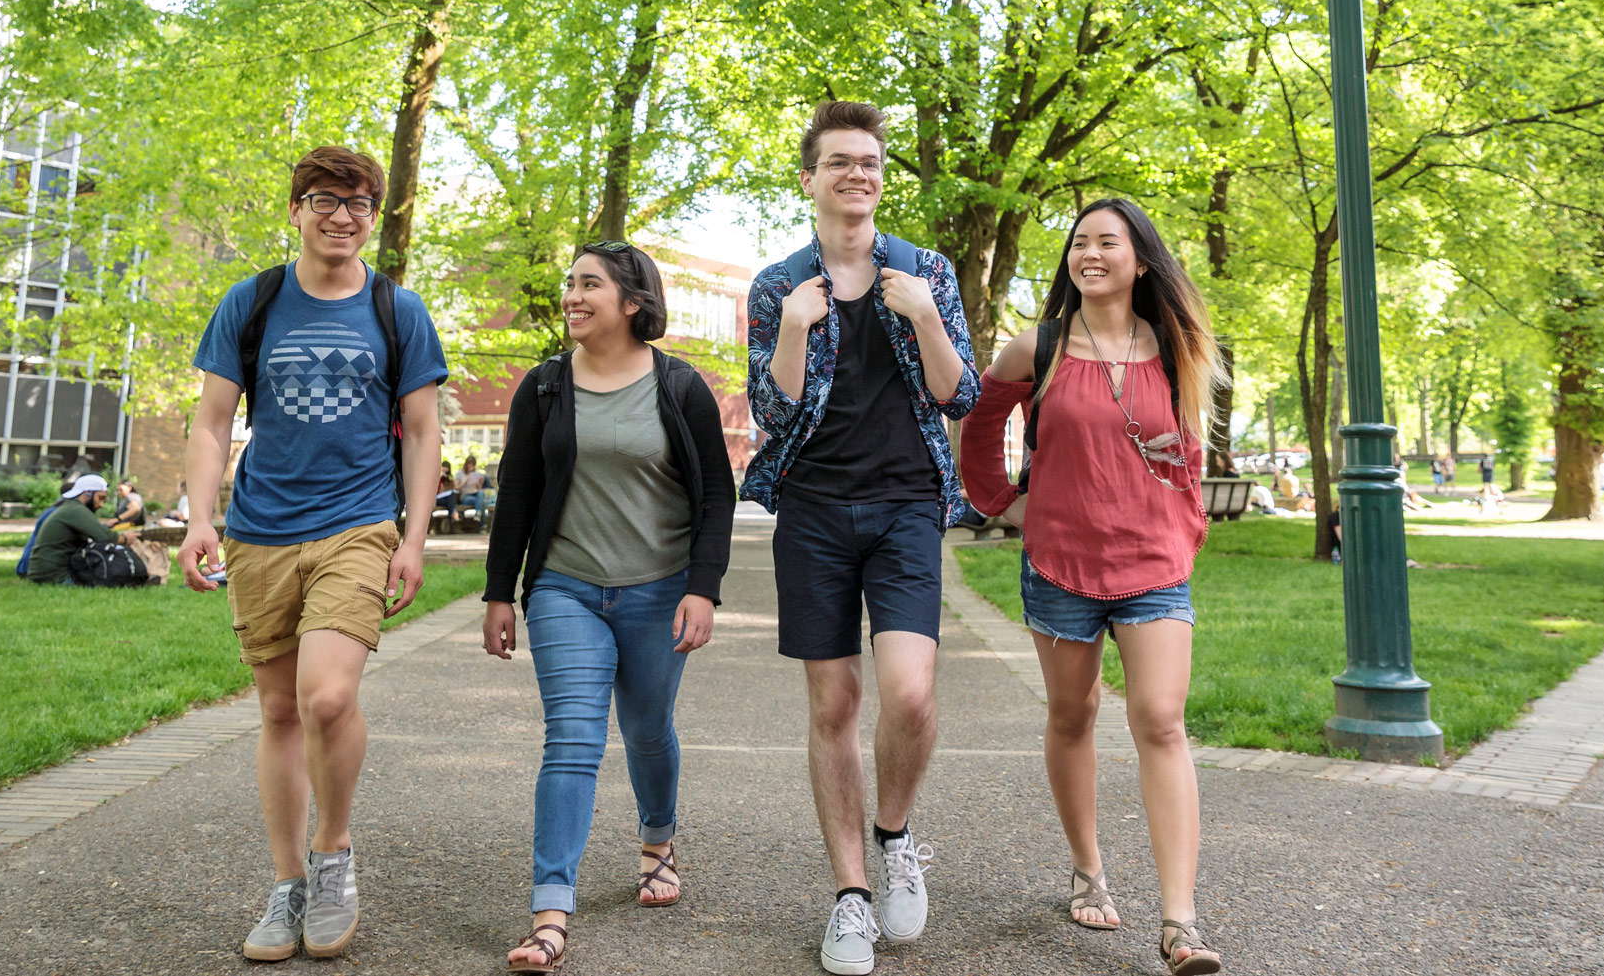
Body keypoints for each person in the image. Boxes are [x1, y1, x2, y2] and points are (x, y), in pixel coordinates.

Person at [175, 145, 448, 962]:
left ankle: (334, 855)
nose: (342, 215)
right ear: (296, 210)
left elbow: (426, 430)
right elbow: (213, 420)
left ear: (374, 218)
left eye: (359, 203)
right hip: (260, 531)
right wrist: (199, 518)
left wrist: (414, 537)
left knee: (326, 697)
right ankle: (288, 882)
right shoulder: (252, 302)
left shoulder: (399, 309)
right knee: (280, 709)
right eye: (325, 199)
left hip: (358, 525)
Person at [743, 101, 980, 976]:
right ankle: (849, 896)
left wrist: (923, 315)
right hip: (812, 510)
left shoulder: (926, 271)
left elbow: (961, 397)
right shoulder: (779, 286)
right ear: (809, 179)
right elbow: (773, 411)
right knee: (835, 705)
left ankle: (895, 832)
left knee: (910, 697)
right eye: (839, 161)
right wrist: (799, 328)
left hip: (907, 503)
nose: (858, 174)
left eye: (870, 162)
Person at [961, 197, 1226, 976]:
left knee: (1161, 720)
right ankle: (1088, 867)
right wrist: (999, 500)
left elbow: (1189, 451)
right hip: (1059, 562)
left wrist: (1184, 524)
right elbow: (981, 421)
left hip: (1152, 565)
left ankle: (1179, 921)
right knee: (1073, 714)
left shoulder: (1178, 345)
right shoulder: (1037, 346)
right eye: (1080, 242)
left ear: (1140, 259)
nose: (1091, 253)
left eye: (1108, 242)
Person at [483, 241, 736, 974]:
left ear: (632, 301)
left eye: (588, 284)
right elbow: (519, 493)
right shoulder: (544, 388)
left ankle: (659, 842)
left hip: (660, 585)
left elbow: (716, 494)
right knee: (572, 736)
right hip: (566, 585)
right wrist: (501, 590)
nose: (571, 294)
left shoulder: (680, 387)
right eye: (569, 282)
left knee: (648, 727)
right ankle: (550, 912)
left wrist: (703, 585)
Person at [23, 475, 170, 585]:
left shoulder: (70, 507)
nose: (101, 504)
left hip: (46, 572)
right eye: (100, 498)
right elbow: (103, 536)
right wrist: (125, 539)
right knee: (113, 576)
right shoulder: (76, 510)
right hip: (56, 575)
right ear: (87, 493)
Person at [455, 454, 492, 522]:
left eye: (473, 465)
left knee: (481, 493)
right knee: (481, 502)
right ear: (466, 464)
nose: (472, 467)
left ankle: (478, 514)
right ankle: (483, 526)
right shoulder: (459, 473)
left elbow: (478, 489)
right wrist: (466, 480)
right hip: (465, 496)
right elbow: (456, 487)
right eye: (470, 465)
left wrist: (480, 483)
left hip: (476, 494)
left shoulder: (475, 474)